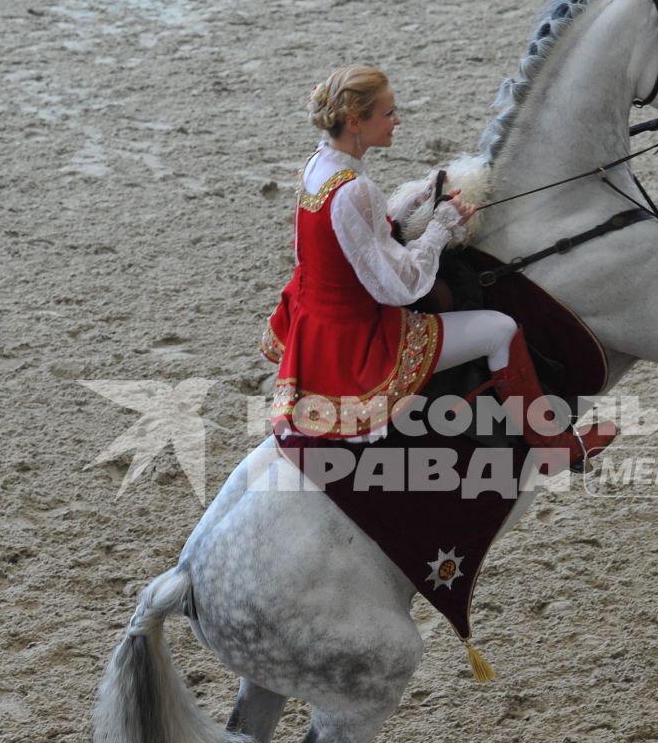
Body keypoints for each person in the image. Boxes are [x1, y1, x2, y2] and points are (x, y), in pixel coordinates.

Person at [261, 64, 616, 464]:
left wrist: (410, 207)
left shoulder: (319, 167)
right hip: (359, 340)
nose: (398, 120)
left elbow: (349, 243)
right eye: (388, 113)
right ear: (356, 121)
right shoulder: (355, 188)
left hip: (317, 322)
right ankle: (555, 447)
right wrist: (442, 226)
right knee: (500, 329)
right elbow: (401, 286)